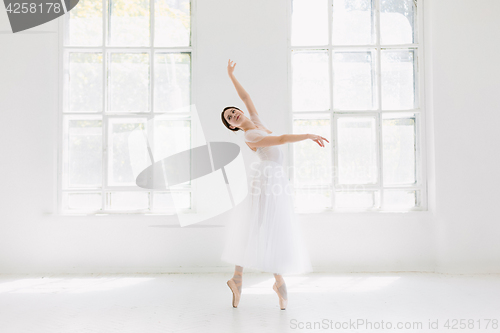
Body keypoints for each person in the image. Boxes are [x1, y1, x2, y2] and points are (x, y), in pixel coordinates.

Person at [220, 59, 329, 310]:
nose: (234, 114)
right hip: (266, 180)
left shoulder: (256, 121)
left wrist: (231, 76)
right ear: (232, 127)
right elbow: (279, 139)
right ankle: (258, 280)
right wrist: (308, 135)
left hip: (275, 178)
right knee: (262, 225)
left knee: (272, 226)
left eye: (233, 111)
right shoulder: (251, 135)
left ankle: (245, 279)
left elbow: (246, 97)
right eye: (230, 118)